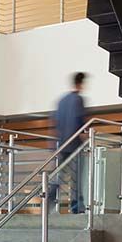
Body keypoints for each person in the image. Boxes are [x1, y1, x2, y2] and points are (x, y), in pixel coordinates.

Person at [50, 72, 88, 214]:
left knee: (59, 176)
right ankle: (76, 207)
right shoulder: (78, 99)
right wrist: (84, 136)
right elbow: (80, 122)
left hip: (62, 145)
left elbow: (56, 122)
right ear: (81, 84)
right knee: (77, 177)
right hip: (75, 144)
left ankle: (49, 201)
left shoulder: (61, 101)